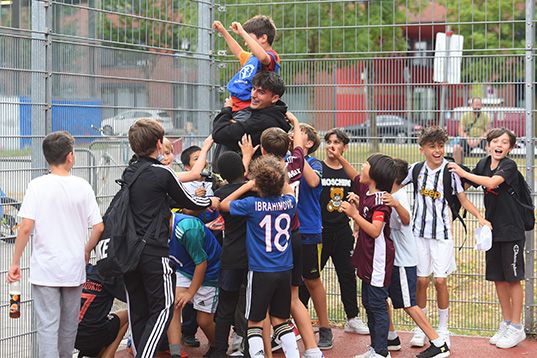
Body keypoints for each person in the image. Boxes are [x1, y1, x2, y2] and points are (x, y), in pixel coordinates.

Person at [122, 119, 218, 358]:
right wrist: (210, 201)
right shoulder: (162, 173)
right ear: (157, 144)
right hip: (154, 251)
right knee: (164, 309)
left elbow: (163, 198)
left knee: (140, 309)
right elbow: (191, 201)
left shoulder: (130, 171)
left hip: (130, 250)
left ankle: (145, 349)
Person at [7, 131, 104, 358]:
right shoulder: (83, 186)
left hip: (45, 269)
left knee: (48, 327)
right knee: (69, 327)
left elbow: (26, 227)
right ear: (70, 156)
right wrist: (86, 249)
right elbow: (98, 227)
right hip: (73, 266)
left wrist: (15, 262)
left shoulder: (37, 186)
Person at [402, 127, 491, 349]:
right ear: (422, 149)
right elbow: (393, 185)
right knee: (421, 281)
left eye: (440, 146)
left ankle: (443, 329)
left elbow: (462, 199)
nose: (437, 150)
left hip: (442, 235)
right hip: (418, 235)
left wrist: (480, 216)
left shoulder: (451, 172)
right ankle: (422, 329)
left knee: (440, 281)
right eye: (432, 146)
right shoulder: (415, 170)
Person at [448, 128, 526, 349]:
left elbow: (491, 183)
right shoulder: (483, 164)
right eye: (495, 141)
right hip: (492, 230)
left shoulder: (509, 166)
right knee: (499, 278)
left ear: (510, 148)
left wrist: (463, 174)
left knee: (513, 278)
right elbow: (465, 186)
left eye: (504, 142)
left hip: (512, 230)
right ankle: (507, 323)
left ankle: (517, 327)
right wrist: (453, 173)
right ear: (488, 144)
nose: (499, 145)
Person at [219, 154, 300, 358]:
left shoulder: (252, 205)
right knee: (281, 320)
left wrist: (248, 186)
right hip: (284, 269)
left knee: (254, 321)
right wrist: (278, 177)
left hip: (260, 271)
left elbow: (224, 204)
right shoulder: (289, 203)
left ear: (257, 184)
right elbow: (289, 190)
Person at [258, 117, 323, 358]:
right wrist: (295, 123)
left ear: (262, 150)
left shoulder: (263, 172)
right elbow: (297, 144)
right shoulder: (296, 162)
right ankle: (313, 349)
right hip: (294, 231)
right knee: (294, 297)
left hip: (271, 238)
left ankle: (264, 351)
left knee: (262, 303)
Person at [304, 128, 369, 336]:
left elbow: (360, 199)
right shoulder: (318, 168)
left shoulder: (348, 172)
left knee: (347, 275)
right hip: (320, 230)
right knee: (310, 276)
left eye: (337, 142)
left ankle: (352, 318)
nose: (332, 145)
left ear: (344, 147)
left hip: (342, 231)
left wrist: (356, 210)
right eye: (329, 141)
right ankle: (300, 317)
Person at [383, 159, 450, 358]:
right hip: (390, 260)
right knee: (378, 298)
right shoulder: (391, 195)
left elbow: (404, 219)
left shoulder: (398, 198)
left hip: (402, 261)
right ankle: (391, 337)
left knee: (408, 303)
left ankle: (438, 342)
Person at [331, 152, 396, 358]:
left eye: (366, 165)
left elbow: (376, 230)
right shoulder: (367, 191)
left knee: (377, 305)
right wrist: (340, 157)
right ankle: (375, 348)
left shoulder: (381, 200)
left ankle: (382, 351)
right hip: (366, 258)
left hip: (378, 260)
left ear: (375, 173)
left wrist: (354, 214)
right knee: (368, 302)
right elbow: (353, 176)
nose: (362, 167)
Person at [291, 123, 332, 349]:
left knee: (312, 280)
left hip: (308, 231)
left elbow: (314, 181)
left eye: (297, 134)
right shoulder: (285, 161)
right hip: (286, 231)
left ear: (308, 143)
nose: (292, 137)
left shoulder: (314, 163)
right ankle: (288, 329)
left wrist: (298, 155)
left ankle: (325, 327)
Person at [212, 151, 252, 357]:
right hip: (254, 255)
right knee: (252, 306)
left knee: (226, 305)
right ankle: (249, 350)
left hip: (231, 255)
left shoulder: (221, 194)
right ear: (244, 170)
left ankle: (219, 350)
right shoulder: (255, 191)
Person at [167, 211, 222, 358]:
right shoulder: (158, 227)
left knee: (204, 321)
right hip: (185, 268)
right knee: (174, 304)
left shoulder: (187, 229)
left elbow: (201, 263)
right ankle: (175, 353)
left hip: (209, 272)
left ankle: (218, 346)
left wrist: (190, 293)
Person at [212, 15, 280, 121]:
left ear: (263, 38)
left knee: (225, 134)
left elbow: (263, 57)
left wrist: (243, 33)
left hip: (247, 109)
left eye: (248, 38)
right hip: (234, 106)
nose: (245, 42)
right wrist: (223, 31)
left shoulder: (270, 56)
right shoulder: (251, 58)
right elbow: (238, 52)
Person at [212, 71, 291, 162]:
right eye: (253, 88)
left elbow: (219, 133)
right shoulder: (274, 114)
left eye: (261, 92)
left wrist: (226, 110)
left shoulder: (263, 121)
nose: (253, 95)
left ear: (275, 98)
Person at [75, 264, 129, 358]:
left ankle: (88, 354)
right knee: (127, 315)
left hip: (71, 335)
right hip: (95, 334)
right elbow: (131, 298)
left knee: (96, 321)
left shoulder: (80, 271)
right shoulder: (108, 276)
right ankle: (108, 356)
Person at [453, 97, 491, 164]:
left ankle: (489, 169)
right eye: (476, 104)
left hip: (481, 139)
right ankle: (459, 168)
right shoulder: (465, 116)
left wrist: (479, 139)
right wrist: (468, 139)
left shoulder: (485, 116)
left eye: (479, 104)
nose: (477, 106)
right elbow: (460, 130)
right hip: (468, 138)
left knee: (490, 148)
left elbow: (488, 130)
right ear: (471, 105)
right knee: (457, 148)